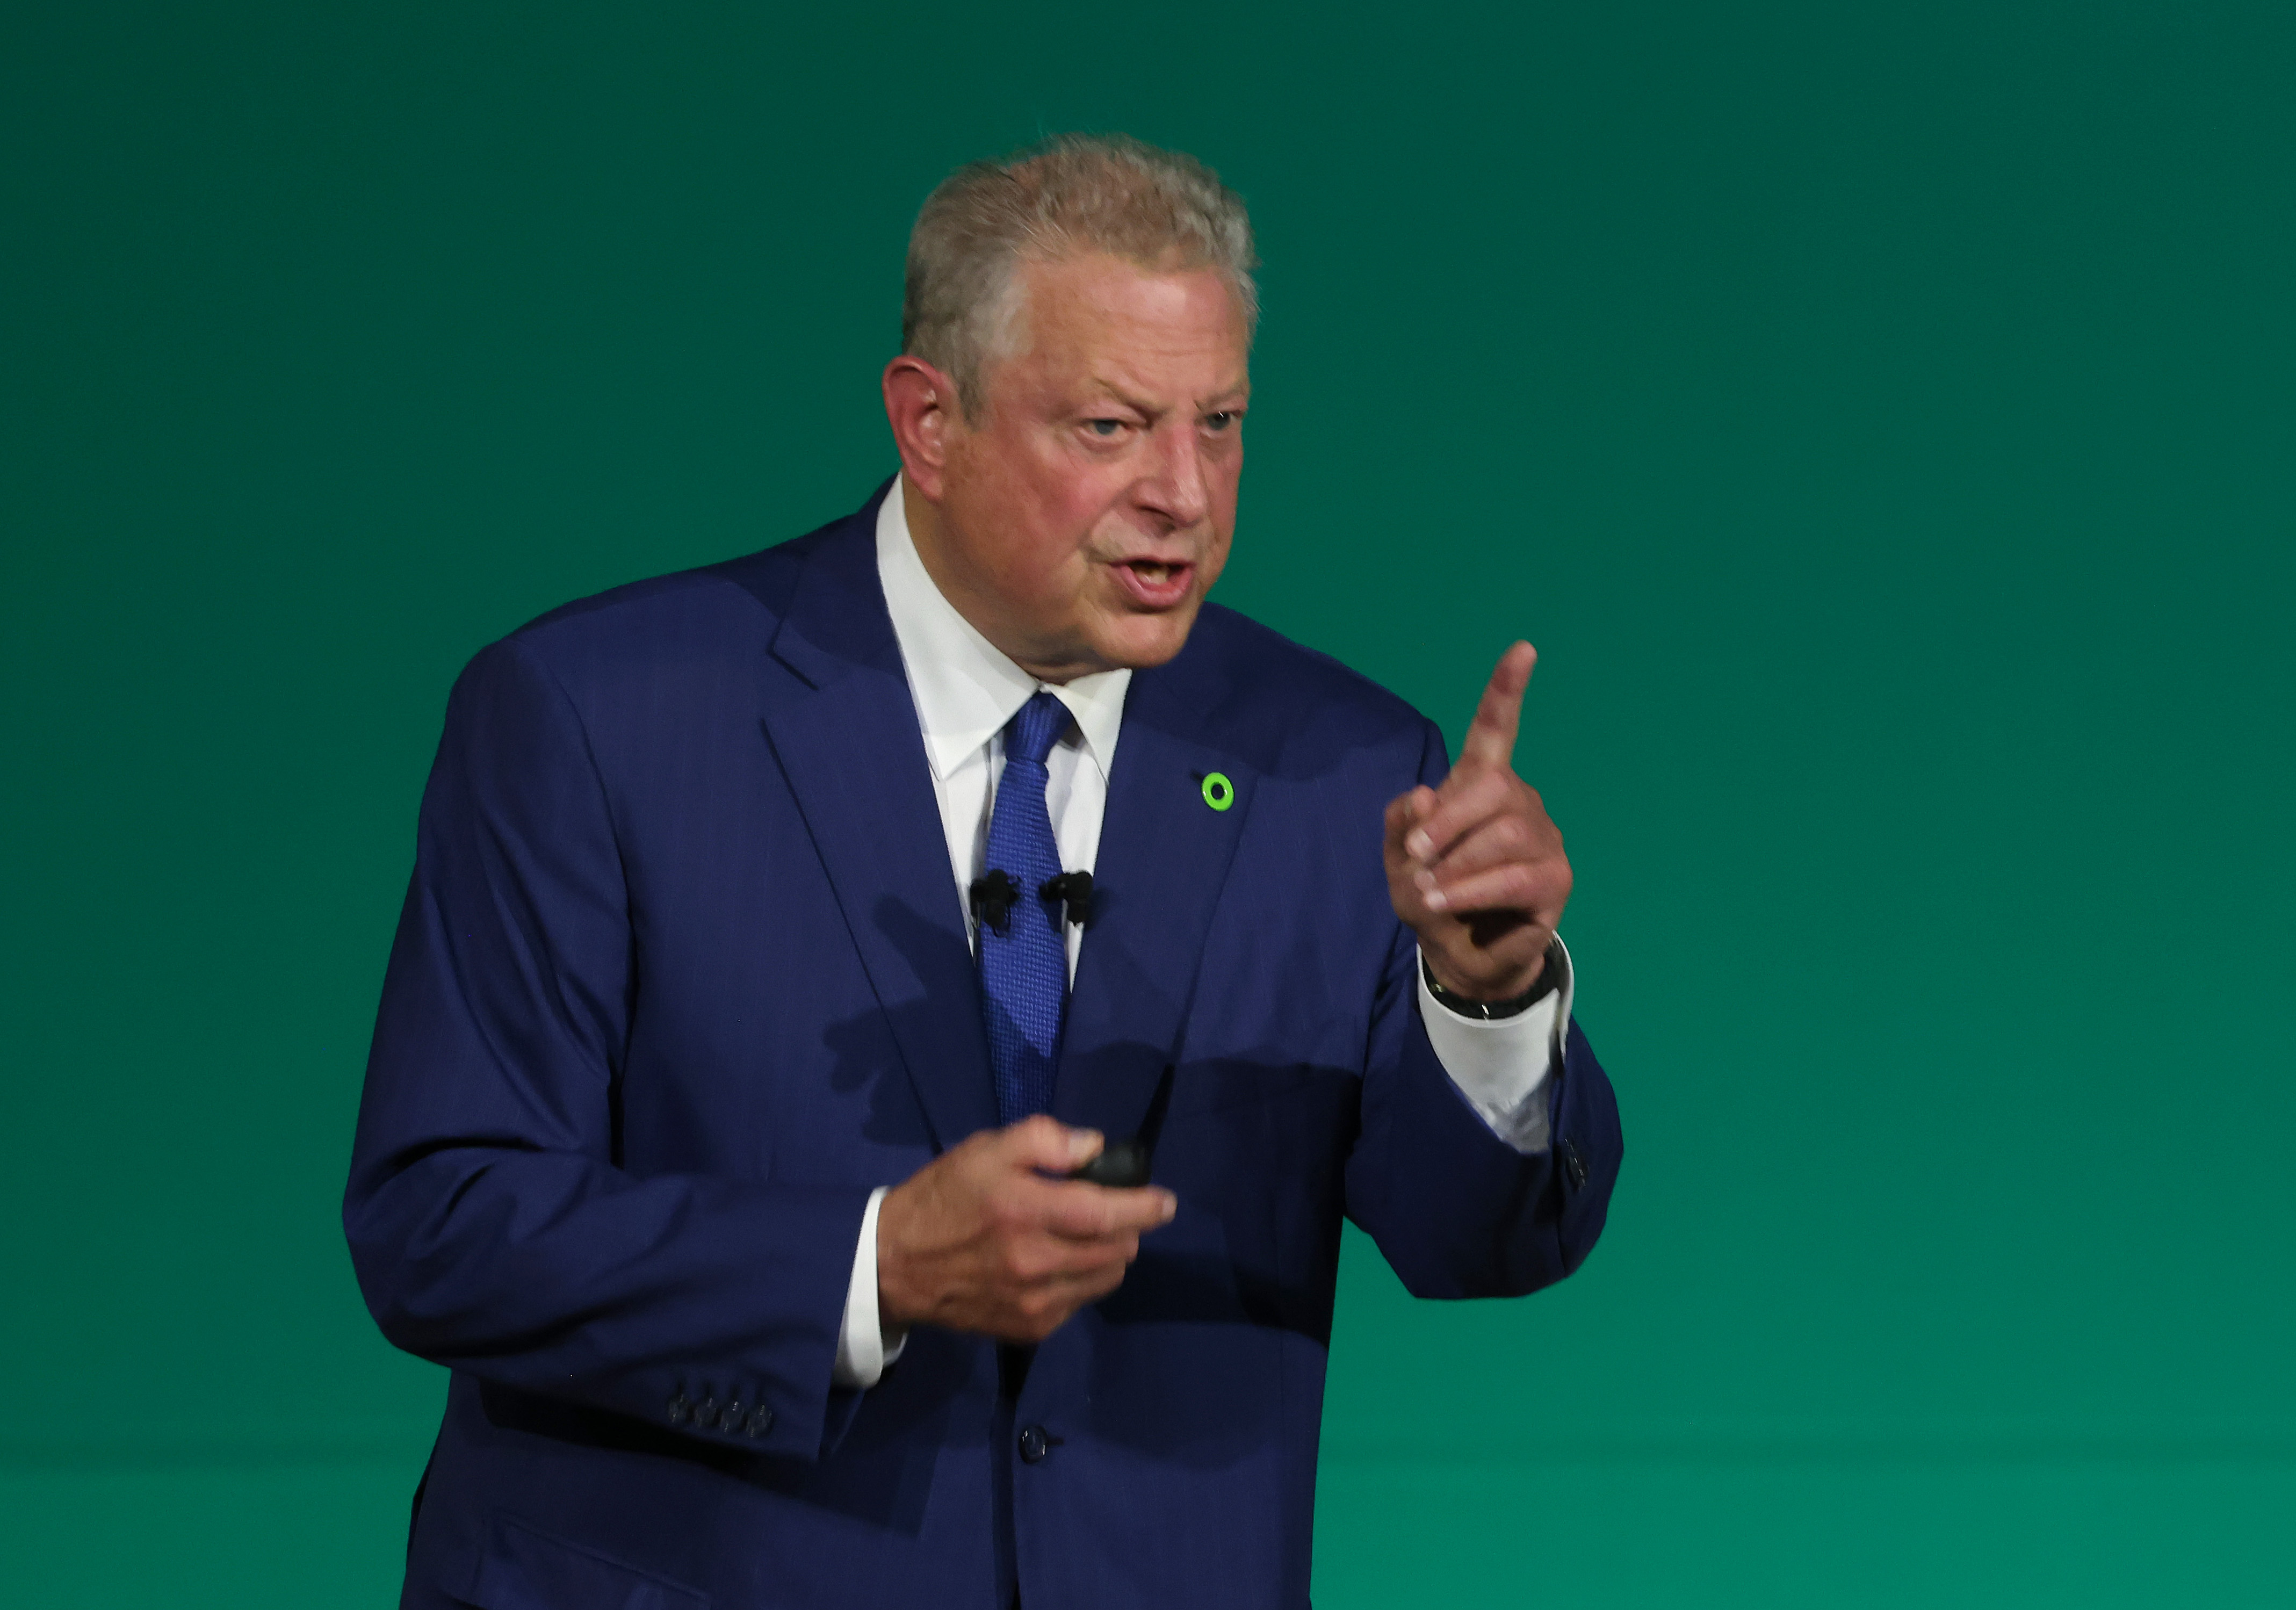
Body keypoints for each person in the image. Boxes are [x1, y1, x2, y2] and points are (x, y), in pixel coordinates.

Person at [346, 134, 1621, 1610]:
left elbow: (1488, 1243)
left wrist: (1489, 995)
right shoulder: (598, 720)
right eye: (1109, 427)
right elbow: (439, 1229)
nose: (1184, 494)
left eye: (1219, 423)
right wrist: (871, 1269)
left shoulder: (1334, 766)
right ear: (928, 423)